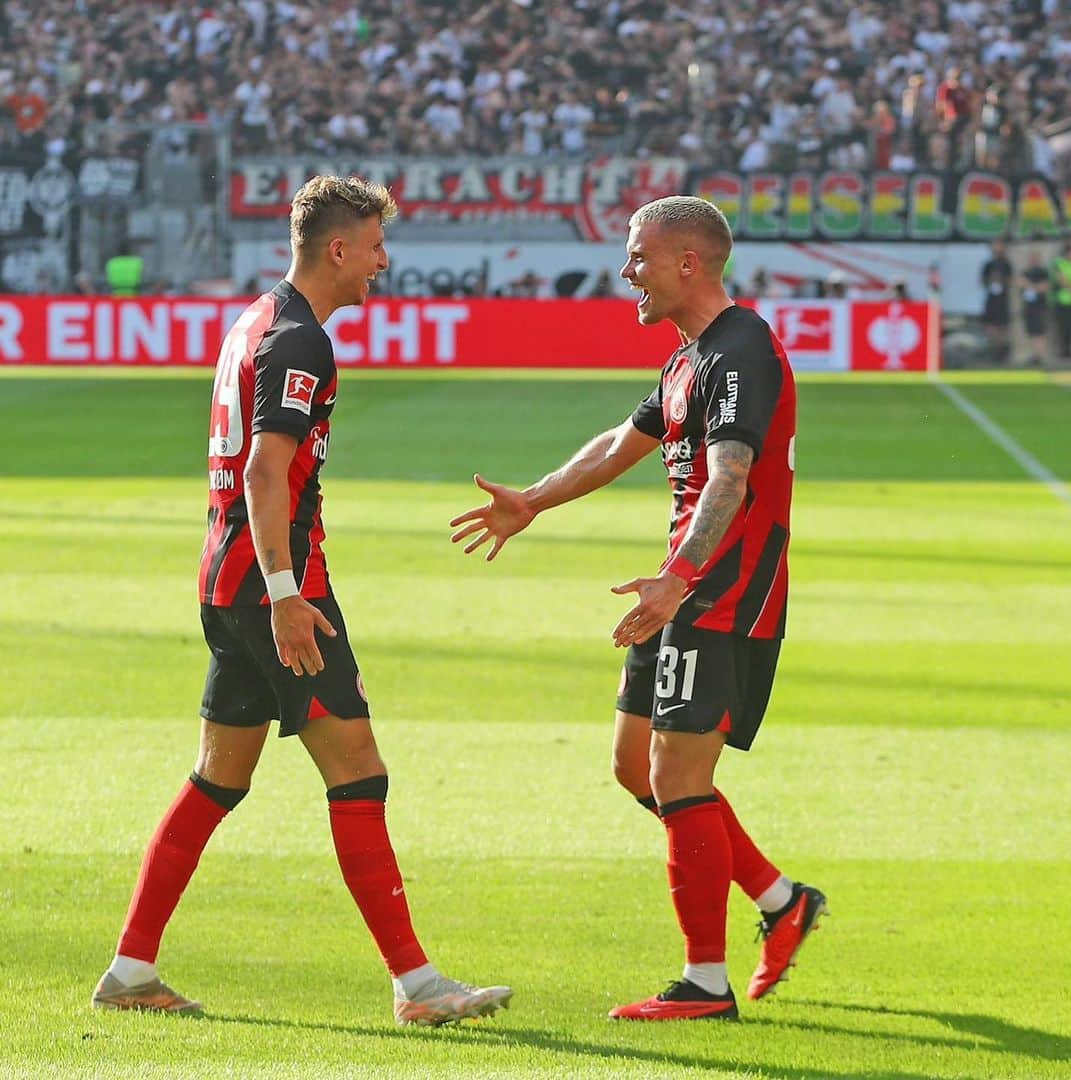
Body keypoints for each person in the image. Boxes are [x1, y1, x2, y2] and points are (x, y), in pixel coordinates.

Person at [92, 176, 512, 1027]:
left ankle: (132, 969)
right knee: (359, 771)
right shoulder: (298, 340)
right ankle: (420, 988)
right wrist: (287, 595)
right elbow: (263, 470)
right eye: (375, 247)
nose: (383, 264)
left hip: (225, 581)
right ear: (337, 249)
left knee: (218, 778)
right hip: (277, 590)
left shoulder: (253, 320)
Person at [450, 196, 826, 1022]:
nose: (628, 272)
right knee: (635, 766)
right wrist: (536, 501)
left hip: (721, 589)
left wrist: (680, 578)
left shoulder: (741, 352)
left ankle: (704, 983)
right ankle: (778, 898)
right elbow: (623, 441)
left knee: (678, 775)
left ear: (687, 262)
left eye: (639, 257)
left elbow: (729, 479)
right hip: (683, 584)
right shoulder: (688, 358)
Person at [980, 240, 1013, 364]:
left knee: (1002, 327)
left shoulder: (1006, 264)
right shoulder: (988, 264)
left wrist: (1001, 280)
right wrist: (991, 279)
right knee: (990, 327)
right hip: (991, 300)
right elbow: (982, 280)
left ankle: (1002, 353)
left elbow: (1010, 280)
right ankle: (992, 351)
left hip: (1002, 300)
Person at [1050, 240, 1071, 363]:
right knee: (1064, 328)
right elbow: (1061, 280)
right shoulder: (1059, 263)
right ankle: (1065, 353)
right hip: (1062, 302)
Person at [1020, 250, 1050, 366]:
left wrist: (1029, 285)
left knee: (1040, 331)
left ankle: (1040, 355)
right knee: (1031, 331)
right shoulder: (1026, 272)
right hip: (1029, 306)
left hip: (1040, 306)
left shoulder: (1043, 272)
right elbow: (1020, 284)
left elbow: (1044, 287)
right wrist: (1029, 286)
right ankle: (1034, 355)